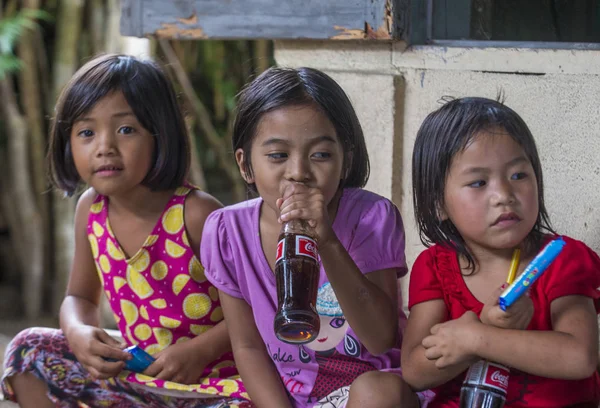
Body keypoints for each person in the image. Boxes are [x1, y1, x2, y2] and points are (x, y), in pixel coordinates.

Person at [0, 54, 249, 408]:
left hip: (213, 387)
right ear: (68, 142)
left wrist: (198, 351)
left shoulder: (199, 215)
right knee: (28, 348)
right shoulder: (91, 209)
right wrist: (79, 332)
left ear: (161, 135)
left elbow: (257, 309)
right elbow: (80, 299)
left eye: (126, 129)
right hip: (139, 381)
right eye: (87, 132)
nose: (104, 147)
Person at [200, 67, 431, 408]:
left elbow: (380, 339)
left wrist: (327, 242)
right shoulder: (226, 232)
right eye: (278, 155)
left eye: (320, 154)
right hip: (288, 399)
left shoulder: (370, 218)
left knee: (375, 393)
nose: (298, 172)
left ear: (345, 160)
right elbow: (247, 347)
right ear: (245, 164)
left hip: (369, 393)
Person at [402, 96, 600, 407]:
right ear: (438, 204)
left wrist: (477, 338)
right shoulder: (434, 266)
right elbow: (415, 371)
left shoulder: (561, 259)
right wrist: (483, 325)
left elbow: (580, 357)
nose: (504, 195)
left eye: (518, 175)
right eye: (479, 182)